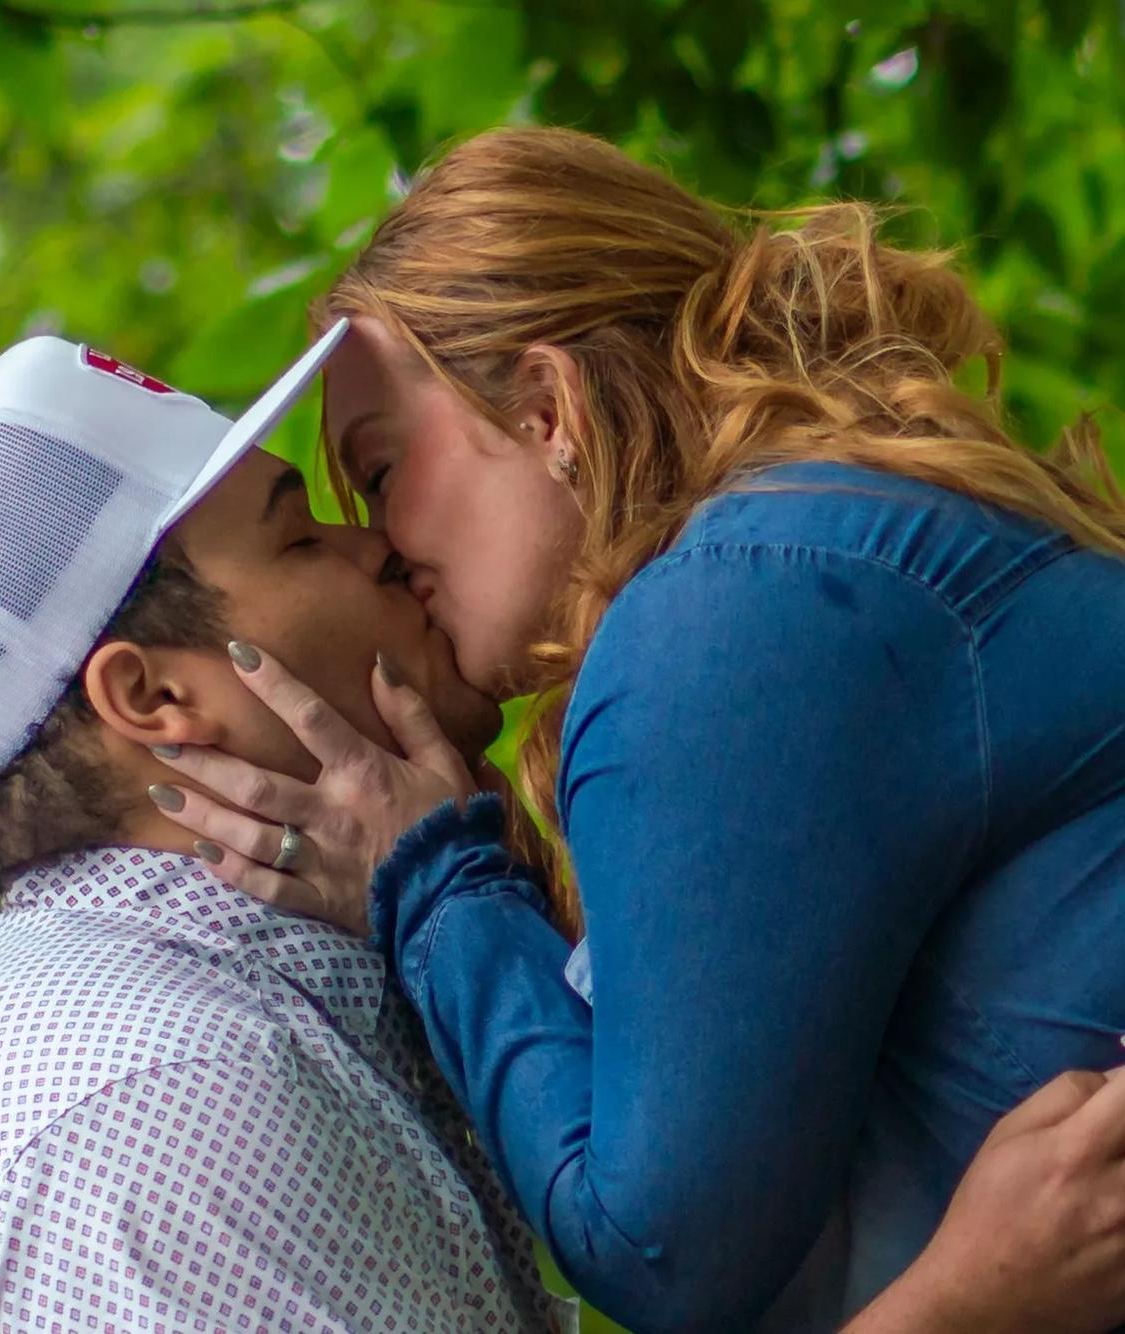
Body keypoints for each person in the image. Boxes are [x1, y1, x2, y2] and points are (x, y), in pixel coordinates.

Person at [146, 127, 1125, 1332]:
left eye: (380, 469)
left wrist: (430, 880)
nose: (383, 545)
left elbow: (664, 1250)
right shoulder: (810, 549)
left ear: (546, 407)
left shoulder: (732, 611)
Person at [0, 330, 573, 1334]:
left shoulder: (183, 1015)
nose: (375, 542)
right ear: (153, 697)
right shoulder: (168, 1088)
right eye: (299, 539)